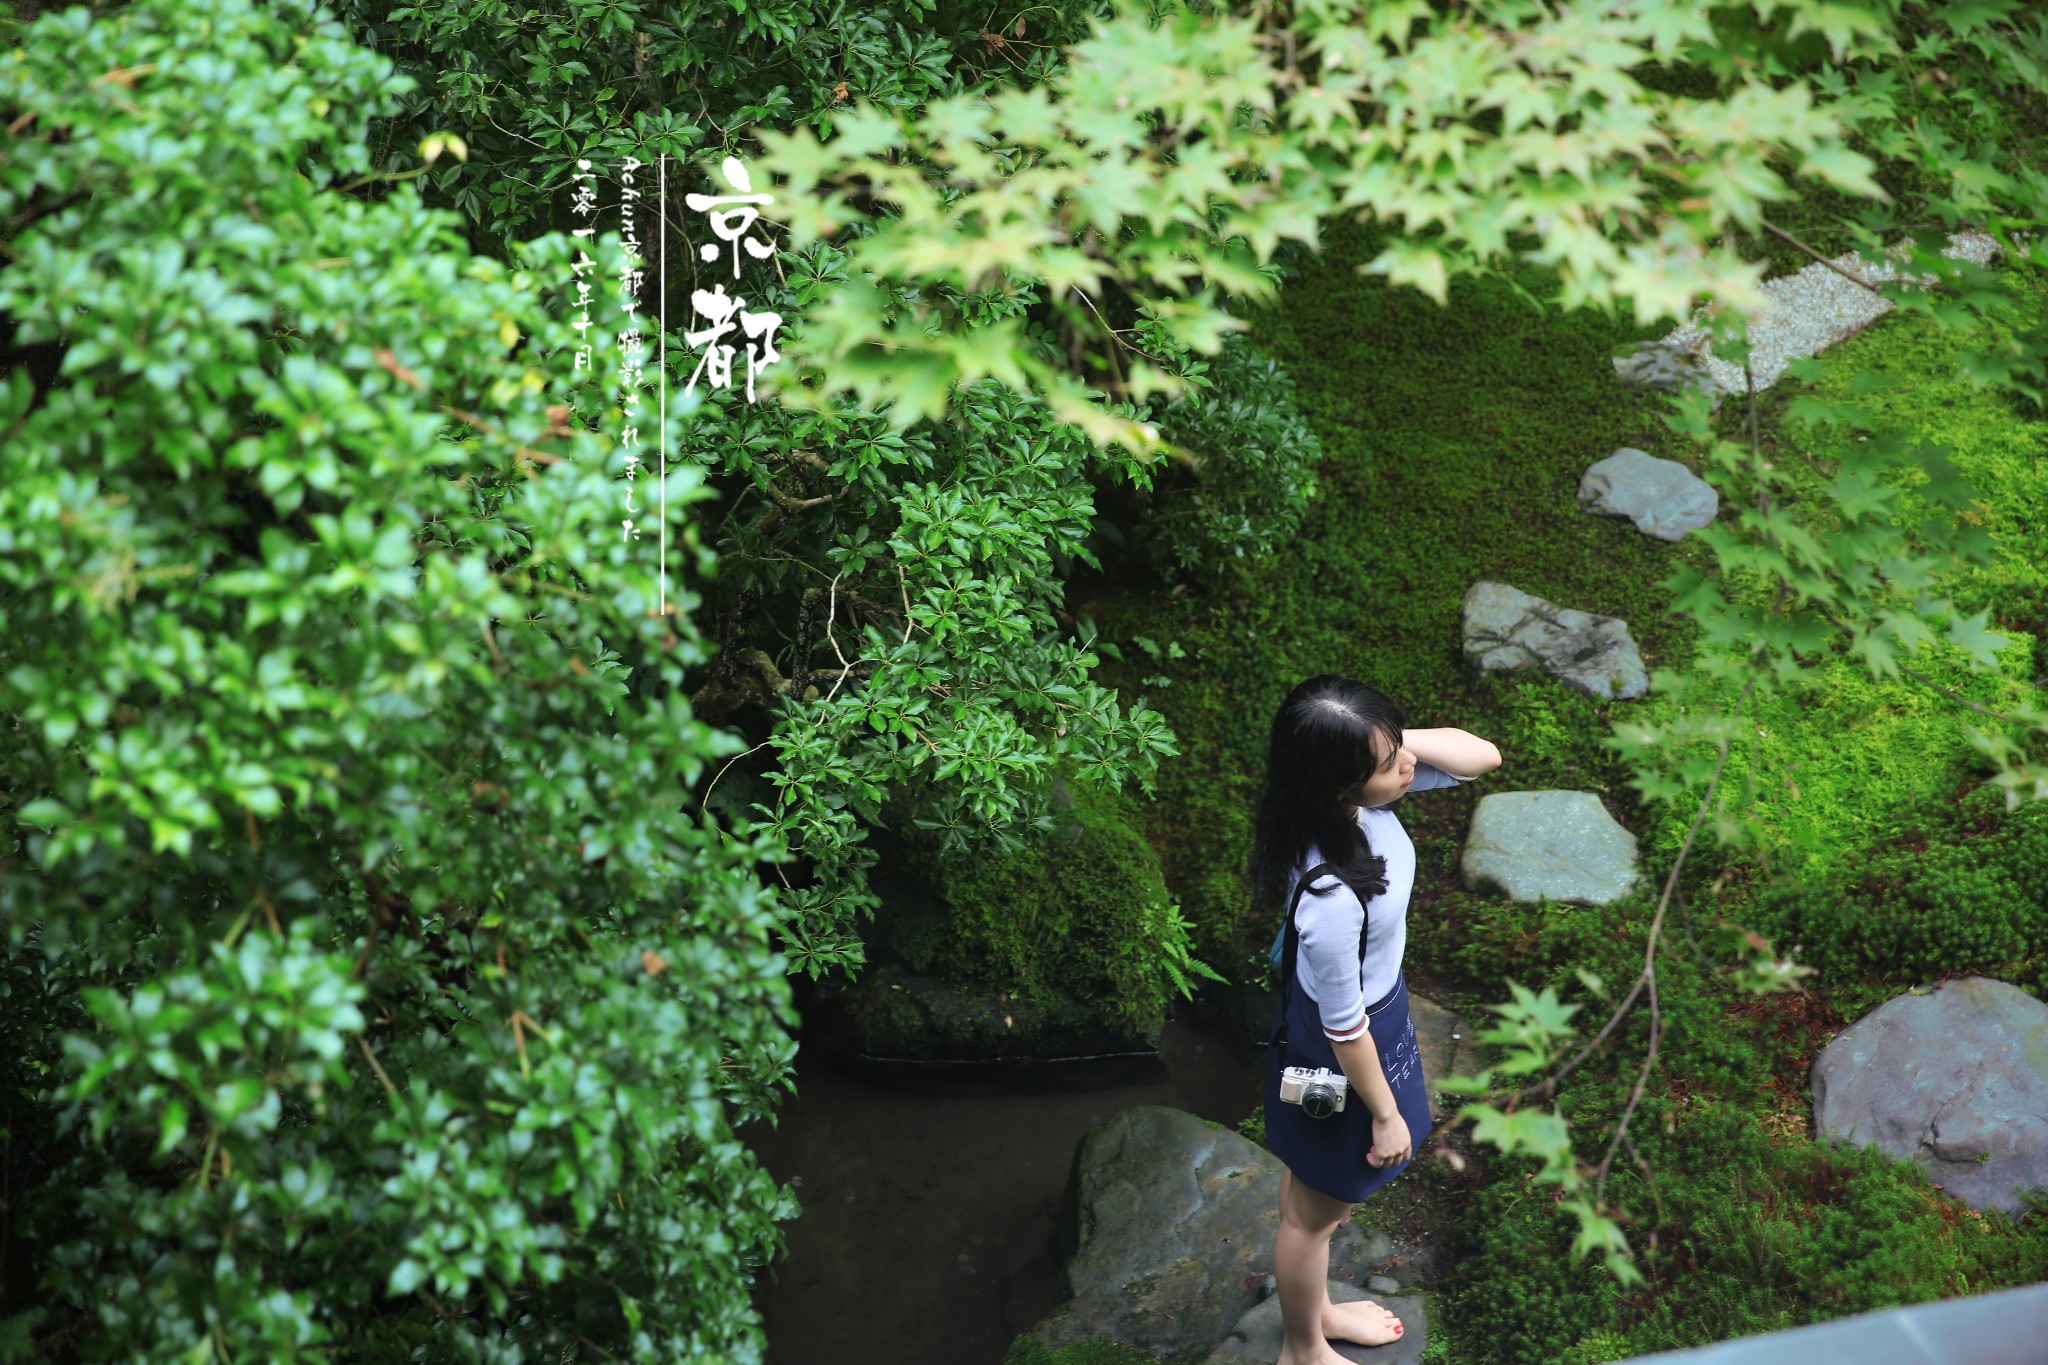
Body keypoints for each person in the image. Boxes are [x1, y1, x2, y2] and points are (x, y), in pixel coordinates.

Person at [1249, 675, 1502, 1364]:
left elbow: (1483, 755)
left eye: (1397, 752)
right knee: (1315, 1211)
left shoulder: (1354, 796)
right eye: (1389, 765)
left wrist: (1382, 745)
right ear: (1338, 785)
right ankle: (1302, 1347)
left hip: (1378, 1008)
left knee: (1323, 1196)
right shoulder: (1330, 897)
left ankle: (1318, 1304)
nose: (1407, 770)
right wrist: (1385, 1114)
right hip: (1346, 1038)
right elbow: (1343, 1027)